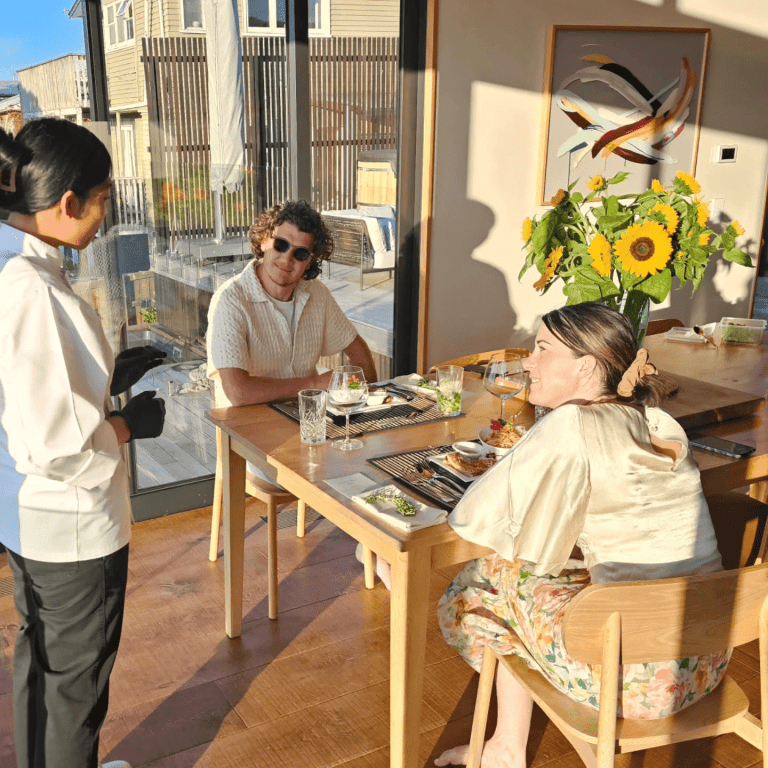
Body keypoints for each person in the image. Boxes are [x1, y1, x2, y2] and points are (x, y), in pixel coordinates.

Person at [434, 302, 727, 768]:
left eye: (542, 349)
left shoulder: (572, 423)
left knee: (483, 582)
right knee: (536, 576)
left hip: (632, 680)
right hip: (706, 660)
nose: (528, 362)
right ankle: (505, 745)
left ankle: (508, 748)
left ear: (586, 366)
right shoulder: (653, 420)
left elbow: (477, 515)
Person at [0, 118, 166, 768]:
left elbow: (29, 392)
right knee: (75, 688)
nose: (105, 218)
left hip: (27, 519)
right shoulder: (34, 291)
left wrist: (107, 378)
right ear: (68, 203)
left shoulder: (16, 264)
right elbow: (56, 448)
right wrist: (128, 425)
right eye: (102, 201)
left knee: (42, 663)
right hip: (68, 527)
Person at [206, 198, 377, 409]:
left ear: (310, 261)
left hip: (310, 418)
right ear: (263, 241)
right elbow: (237, 392)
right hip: (247, 424)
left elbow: (361, 358)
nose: (287, 259)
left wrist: (355, 396)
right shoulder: (230, 300)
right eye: (280, 245)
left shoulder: (317, 294)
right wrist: (315, 384)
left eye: (301, 253)